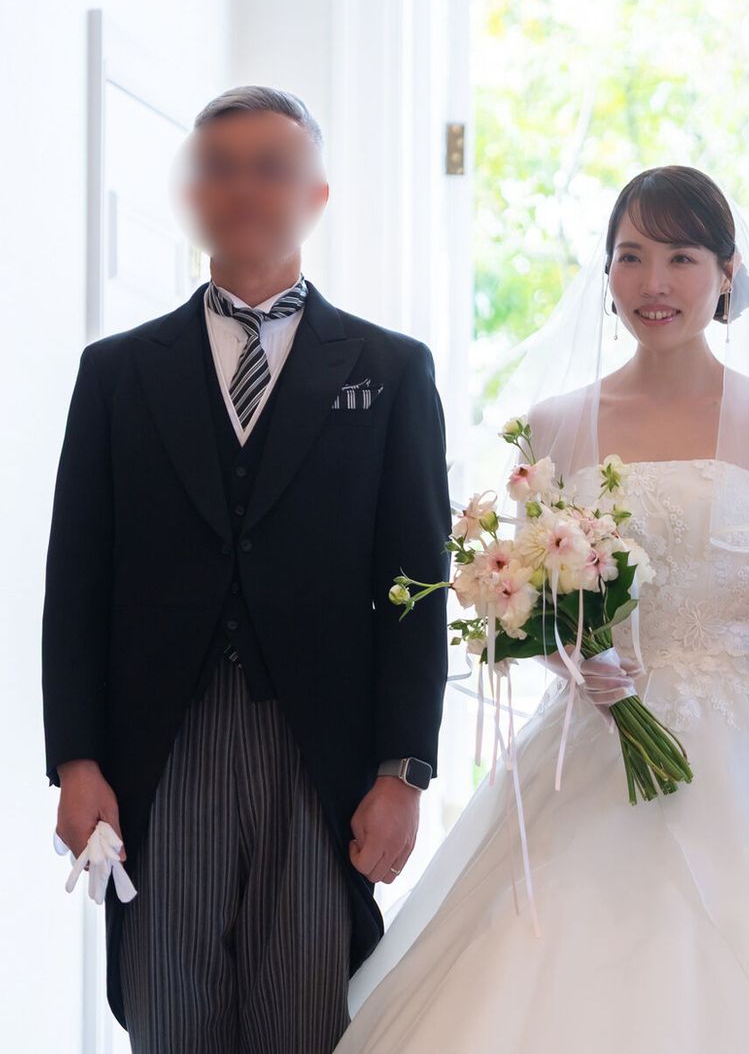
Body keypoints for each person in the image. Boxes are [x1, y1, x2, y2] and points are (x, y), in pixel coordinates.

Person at [336, 166, 749, 1053]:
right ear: (608, 273)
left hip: (746, 743)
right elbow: (532, 604)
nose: (654, 283)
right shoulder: (556, 421)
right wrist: (577, 662)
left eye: (681, 258)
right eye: (631, 257)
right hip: (593, 732)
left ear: (727, 273)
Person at [42, 86, 451, 1054]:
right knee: (169, 1011)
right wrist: (76, 758)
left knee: (305, 1016)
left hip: (319, 753)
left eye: (270, 168)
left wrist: (404, 770)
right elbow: (77, 581)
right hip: (162, 748)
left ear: (314, 194)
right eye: (219, 169)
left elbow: (415, 587)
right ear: (192, 194)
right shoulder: (117, 372)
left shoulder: (391, 370)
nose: (244, 189)